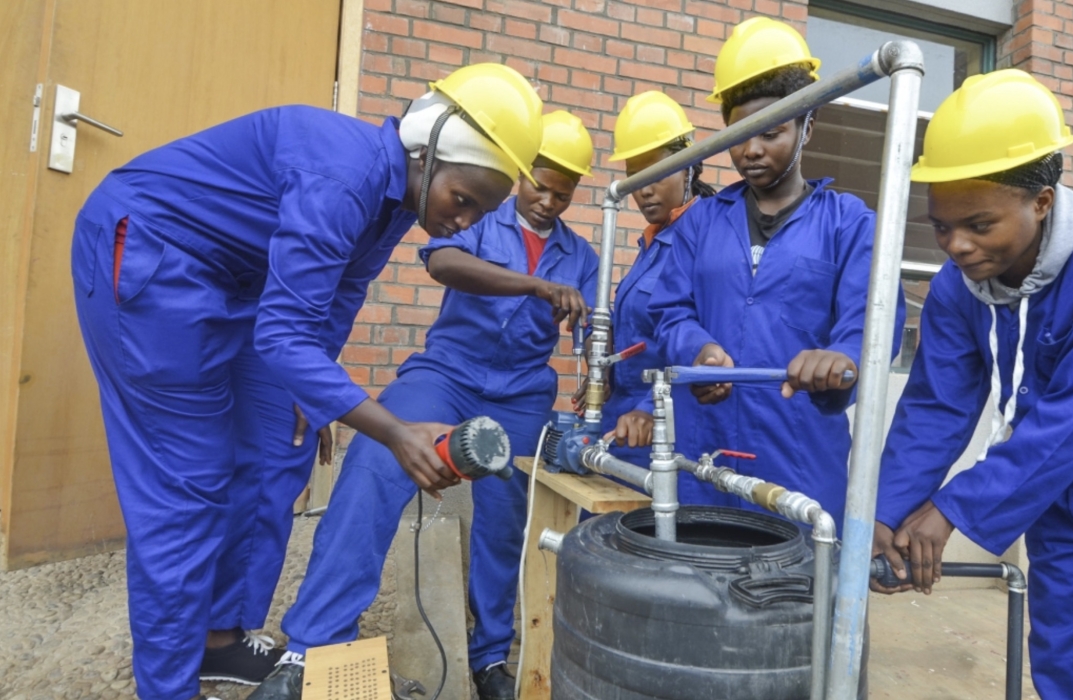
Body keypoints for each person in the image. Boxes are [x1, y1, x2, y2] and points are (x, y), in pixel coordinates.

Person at [70, 63, 543, 700]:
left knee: (279, 443)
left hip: (238, 285)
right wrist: (393, 431)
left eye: (481, 212)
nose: (464, 223)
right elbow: (284, 335)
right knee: (188, 487)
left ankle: (220, 638)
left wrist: (314, 393)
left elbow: (341, 293)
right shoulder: (342, 174)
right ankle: (167, 686)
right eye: (462, 200)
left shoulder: (398, 201)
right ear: (427, 152)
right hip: (155, 255)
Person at [871, 69, 1073, 698]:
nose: (958, 245)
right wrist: (885, 515)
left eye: (979, 224)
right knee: (1071, 673)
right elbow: (937, 407)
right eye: (941, 227)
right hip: (1064, 499)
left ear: (1042, 201)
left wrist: (953, 507)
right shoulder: (955, 290)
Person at [250, 111, 598, 700]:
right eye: (540, 184)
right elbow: (443, 263)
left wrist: (593, 363)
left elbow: (589, 329)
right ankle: (310, 649)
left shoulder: (581, 255)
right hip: (446, 372)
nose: (547, 202)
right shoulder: (482, 217)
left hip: (521, 391)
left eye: (562, 195)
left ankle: (490, 658)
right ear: (519, 176)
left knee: (506, 520)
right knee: (374, 465)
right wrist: (535, 285)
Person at [649, 17, 903, 526]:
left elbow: (872, 324)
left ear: (808, 126)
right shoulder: (701, 222)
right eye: (740, 135)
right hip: (706, 458)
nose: (752, 150)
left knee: (797, 598)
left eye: (772, 131)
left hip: (802, 465)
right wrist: (695, 349)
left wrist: (839, 360)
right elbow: (669, 311)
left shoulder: (850, 224)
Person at [576, 90, 716, 463]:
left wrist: (645, 408)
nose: (645, 189)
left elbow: (705, 346)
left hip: (664, 429)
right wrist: (601, 366)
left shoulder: (706, 239)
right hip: (622, 422)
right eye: (634, 177)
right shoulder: (653, 242)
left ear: (690, 166)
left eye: (658, 172)